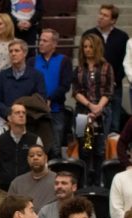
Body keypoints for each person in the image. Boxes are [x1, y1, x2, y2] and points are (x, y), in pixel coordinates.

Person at [0, 102, 41, 218]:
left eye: (24, 113)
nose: (22, 115)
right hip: (4, 192)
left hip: (28, 193)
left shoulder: (35, 140)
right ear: (9, 118)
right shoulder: (0, 140)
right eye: (17, 113)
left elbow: (41, 167)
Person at [73, 32, 114, 187]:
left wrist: (98, 108)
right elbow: (76, 91)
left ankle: (98, 183)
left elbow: (109, 91)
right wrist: (90, 106)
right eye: (85, 46)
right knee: (85, 148)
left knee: (99, 150)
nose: (87, 49)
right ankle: (84, 183)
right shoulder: (79, 69)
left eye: (90, 46)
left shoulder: (106, 67)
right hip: (83, 113)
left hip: (102, 113)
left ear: (97, 48)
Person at [84, 4, 127, 133]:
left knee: (113, 125)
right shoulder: (89, 34)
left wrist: (115, 80)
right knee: (91, 128)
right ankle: (90, 150)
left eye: (105, 15)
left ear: (113, 20)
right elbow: (83, 60)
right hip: (93, 87)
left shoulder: (122, 37)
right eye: (100, 14)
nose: (100, 17)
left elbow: (125, 62)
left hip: (114, 87)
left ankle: (111, 151)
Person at [32, 29, 72, 155]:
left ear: (54, 44)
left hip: (56, 110)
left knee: (55, 147)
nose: (41, 43)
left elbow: (65, 85)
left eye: (45, 41)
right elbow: (30, 84)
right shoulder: (32, 61)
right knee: (37, 148)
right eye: (40, 40)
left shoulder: (64, 60)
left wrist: (50, 99)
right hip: (36, 111)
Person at [0, 38, 46, 124]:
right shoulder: (2, 75)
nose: (13, 54)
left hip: (29, 121)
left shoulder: (36, 75)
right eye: (11, 51)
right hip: (5, 120)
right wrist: (9, 114)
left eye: (16, 51)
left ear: (25, 53)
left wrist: (21, 114)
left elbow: (40, 99)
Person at [8, 144, 56, 212]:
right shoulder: (17, 183)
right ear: (28, 159)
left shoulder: (57, 181)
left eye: (39, 155)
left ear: (46, 158)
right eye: (31, 156)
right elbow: (9, 210)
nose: (35, 158)